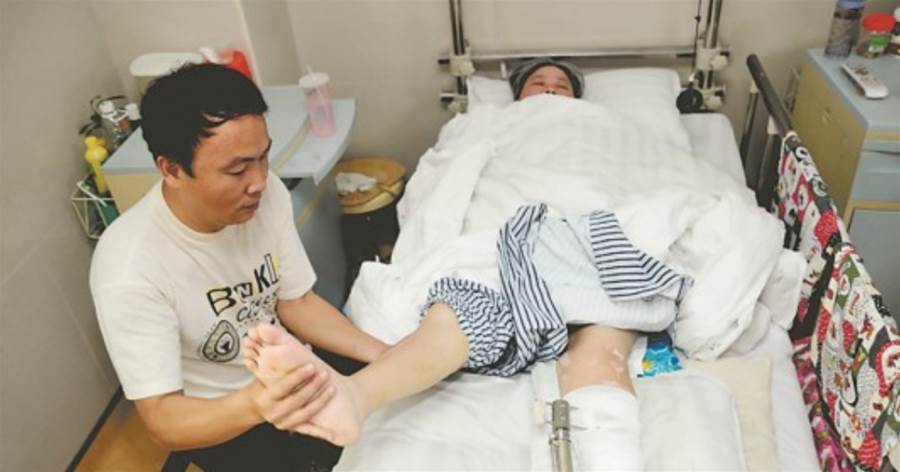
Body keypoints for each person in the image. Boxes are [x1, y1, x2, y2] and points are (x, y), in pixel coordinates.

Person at [242, 58, 684, 470]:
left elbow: (648, 170)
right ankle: (355, 395)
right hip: (498, 225)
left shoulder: (604, 125)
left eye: (561, 86)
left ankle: (611, 455)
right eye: (538, 83)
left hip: (585, 230)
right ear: (517, 95)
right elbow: (446, 174)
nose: (550, 90)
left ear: (577, 98)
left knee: (603, 341)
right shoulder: (487, 125)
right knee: (457, 312)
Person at [89, 63, 389, 471]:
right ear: (171, 169)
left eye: (263, 158)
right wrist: (258, 403)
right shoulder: (129, 268)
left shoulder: (266, 196)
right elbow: (163, 419)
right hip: (221, 414)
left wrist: (384, 354)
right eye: (236, 170)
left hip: (285, 369)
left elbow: (297, 303)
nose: (259, 181)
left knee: (391, 421)